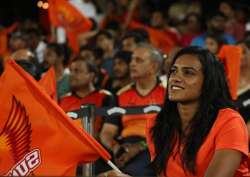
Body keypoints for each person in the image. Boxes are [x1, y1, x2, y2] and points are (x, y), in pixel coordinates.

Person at [100, 46, 250, 177]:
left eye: (188, 72)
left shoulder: (230, 121)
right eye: (173, 71)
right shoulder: (156, 124)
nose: (175, 78)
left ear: (208, 81)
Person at [99, 43, 165, 176]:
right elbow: (106, 133)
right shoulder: (120, 95)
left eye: (138, 60)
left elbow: (172, 130)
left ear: (154, 67)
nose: (132, 64)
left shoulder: (167, 93)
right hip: (125, 145)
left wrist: (140, 146)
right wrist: (117, 148)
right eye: (132, 60)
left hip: (155, 145)